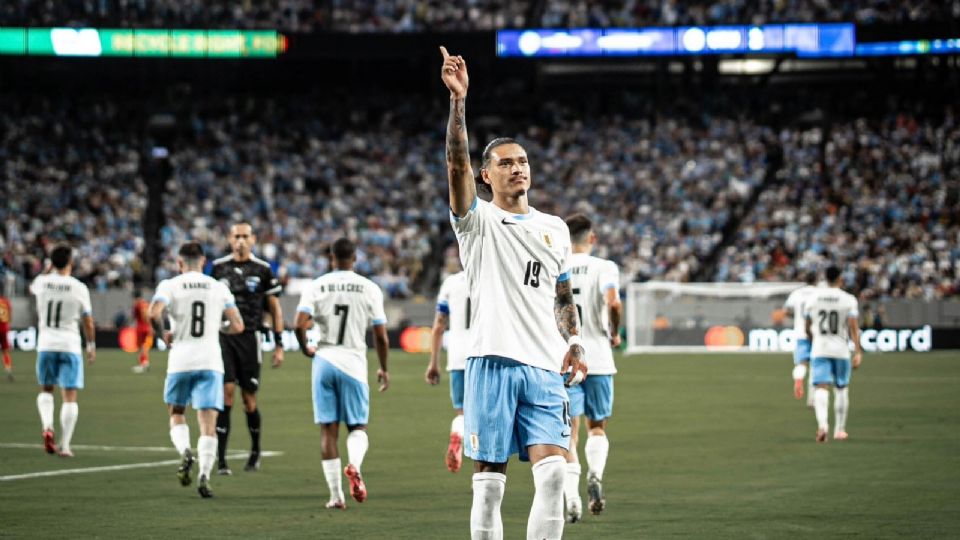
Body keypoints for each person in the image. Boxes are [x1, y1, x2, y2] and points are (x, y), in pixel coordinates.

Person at [440, 46, 587, 540]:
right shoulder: (478, 221)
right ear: (488, 175)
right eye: (505, 163)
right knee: (489, 486)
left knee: (552, 475)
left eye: (522, 161)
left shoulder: (555, 229)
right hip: (492, 361)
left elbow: (562, 294)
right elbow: (456, 168)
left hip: (545, 366)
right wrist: (459, 105)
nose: (517, 168)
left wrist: (575, 341)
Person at [294, 238, 390, 510]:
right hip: (353, 363)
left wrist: (305, 348)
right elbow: (381, 336)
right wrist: (383, 368)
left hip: (324, 359)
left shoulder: (316, 286)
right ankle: (355, 466)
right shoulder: (369, 288)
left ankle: (336, 496)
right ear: (355, 258)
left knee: (328, 430)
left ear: (331, 257)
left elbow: (298, 324)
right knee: (358, 427)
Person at [150, 242, 244, 498]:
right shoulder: (218, 287)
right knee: (208, 424)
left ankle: (184, 452)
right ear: (203, 262)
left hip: (180, 359)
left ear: (180, 263)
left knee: (176, 412)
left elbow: (153, 313)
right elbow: (237, 325)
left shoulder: (169, 285)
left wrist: (162, 335)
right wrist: (218, 328)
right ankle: (204, 475)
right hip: (210, 361)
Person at [210, 223, 285, 474]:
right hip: (224, 338)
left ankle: (255, 451)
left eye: (245, 236)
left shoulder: (263, 269)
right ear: (229, 239)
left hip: (250, 338)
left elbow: (274, 308)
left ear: (253, 239)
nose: (240, 240)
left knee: (248, 399)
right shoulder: (218, 268)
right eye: (236, 236)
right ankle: (220, 460)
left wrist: (279, 344)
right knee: (226, 393)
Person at [562, 214, 622, 522]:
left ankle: (571, 498)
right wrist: (614, 332)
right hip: (598, 358)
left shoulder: (555, 266)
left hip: (567, 360)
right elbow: (613, 303)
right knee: (596, 427)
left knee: (568, 434)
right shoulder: (605, 267)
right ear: (592, 238)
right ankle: (595, 476)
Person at [30, 245, 96, 457]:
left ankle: (47, 426)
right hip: (70, 345)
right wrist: (91, 345)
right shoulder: (78, 287)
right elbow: (87, 319)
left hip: (46, 344)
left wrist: (48, 270)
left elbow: (34, 285)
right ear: (71, 262)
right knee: (69, 396)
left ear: (51, 263)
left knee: (46, 389)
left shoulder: (41, 283)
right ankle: (65, 445)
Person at [804, 266, 863, 443]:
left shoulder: (813, 298)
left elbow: (807, 326)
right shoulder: (848, 300)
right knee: (841, 389)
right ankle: (839, 430)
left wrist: (813, 340)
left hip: (820, 348)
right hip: (841, 350)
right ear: (840, 279)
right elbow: (853, 328)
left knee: (821, 388)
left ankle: (823, 425)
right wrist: (858, 351)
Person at [425, 264, 471, 473]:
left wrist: (433, 362)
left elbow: (438, 326)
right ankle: (480, 478)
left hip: (458, 357)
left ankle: (457, 435)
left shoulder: (451, 283)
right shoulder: (491, 277)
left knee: (462, 413)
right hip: (486, 355)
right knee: (486, 420)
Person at [783, 272, 818, 404]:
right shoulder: (819, 293)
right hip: (816, 334)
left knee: (801, 363)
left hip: (800, 332)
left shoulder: (797, 293)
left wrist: (796, 316)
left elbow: (786, 311)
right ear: (815, 281)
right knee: (816, 365)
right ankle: (812, 399)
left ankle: (798, 379)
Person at [131, 289, 153, 373]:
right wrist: (150, 326)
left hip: (141, 327)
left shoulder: (138, 304)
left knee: (141, 347)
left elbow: (143, 314)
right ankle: (145, 363)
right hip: (147, 327)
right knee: (144, 347)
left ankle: (143, 364)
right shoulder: (146, 303)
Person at [0, 290, 13, 380]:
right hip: (4, 328)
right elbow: (10, 316)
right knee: (5, 351)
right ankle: (8, 371)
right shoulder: (6, 301)